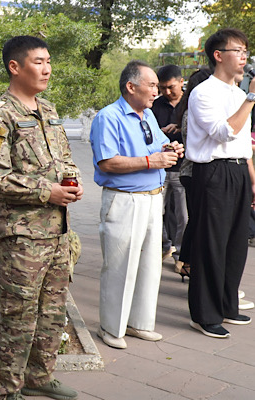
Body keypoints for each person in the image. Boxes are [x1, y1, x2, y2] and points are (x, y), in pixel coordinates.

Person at [0, 35, 82, 400]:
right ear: (15, 67)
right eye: (39, 61)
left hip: (57, 231)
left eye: (49, 60)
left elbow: (64, 160)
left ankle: (40, 376)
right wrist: (45, 191)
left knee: (52, 310)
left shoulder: (48, 110)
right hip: (22, 236)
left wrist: (72, 181)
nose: (47, 68)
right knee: (18, 314)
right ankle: (7, 390)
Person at [90, 60, 184, 349]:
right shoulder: (109, 117)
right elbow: (107, 162)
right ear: (131, 86)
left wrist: (168, 148)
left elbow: (155, 147)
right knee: (120, 266)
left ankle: (139, 323)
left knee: (149, 266)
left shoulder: (148, 116)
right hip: (124, 201)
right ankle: (111, 327)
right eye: (152, 84)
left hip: (153, 199)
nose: (157, 90)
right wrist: (150, 161)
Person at [186, 28, 255, 338]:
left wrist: (252, 179)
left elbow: (244, 144)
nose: (244, 56)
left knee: (237, 243)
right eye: (238, 50)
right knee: (211, 245)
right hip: (213, 172)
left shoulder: (238, 94)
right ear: (218, 55)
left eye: (245, 51)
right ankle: (204, 314)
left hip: (239, 171)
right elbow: (223, 132)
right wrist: (252, 99)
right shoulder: (204, 92)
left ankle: (227, 305)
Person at [174, 67, 212, 282]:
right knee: (198, 221)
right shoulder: (194, 111)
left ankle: (187, 263)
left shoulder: (187, 110)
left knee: (196, 220)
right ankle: (188, 263)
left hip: (192, 172)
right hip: (194, 172)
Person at [152, 65, 187, 273]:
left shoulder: (191, 103)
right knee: (156, 212)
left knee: (184, 215)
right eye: (162, 88)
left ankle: (181, 256)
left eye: (170, 87)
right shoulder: (155, 106)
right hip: (160, 168)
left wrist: (182, 129)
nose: (166, 92)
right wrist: (161, 132)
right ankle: (164, 246)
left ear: (181, 82)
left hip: (183, 168)